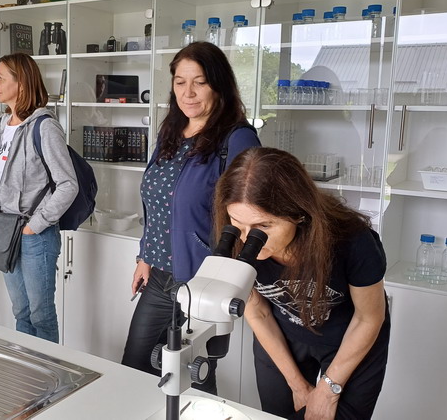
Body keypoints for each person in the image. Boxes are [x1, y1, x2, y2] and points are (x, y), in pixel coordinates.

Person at [121, 41, 261, 394]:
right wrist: (144, 255)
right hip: (158, 277)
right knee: (134, 367)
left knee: (193, 376)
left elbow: (251, 214)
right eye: (180, 82)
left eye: (200, 82)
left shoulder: (237, 139)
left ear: (219, 85)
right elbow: (157, 202)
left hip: (203, 281)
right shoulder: (171, 131)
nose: (189, 92)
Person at [214, 147, 390, 420]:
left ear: (298, 213)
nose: (249, 239)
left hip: (349, 336)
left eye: (264, 227)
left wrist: (328, 390)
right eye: (237, 223)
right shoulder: (234, 237)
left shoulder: (353, 241)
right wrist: (297, 384)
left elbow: (368, 318)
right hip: (282, 332)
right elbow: (258, 312)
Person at [0, 53, 78, 343]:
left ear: (22, 83)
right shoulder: (3, 125)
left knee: (41, 315)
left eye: (1, 78)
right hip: (6, 231)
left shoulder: (45, 127)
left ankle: (48, 367)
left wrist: (34, 226)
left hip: (34, 236)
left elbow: (68, 184)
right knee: (21, 311)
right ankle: (27, 365)